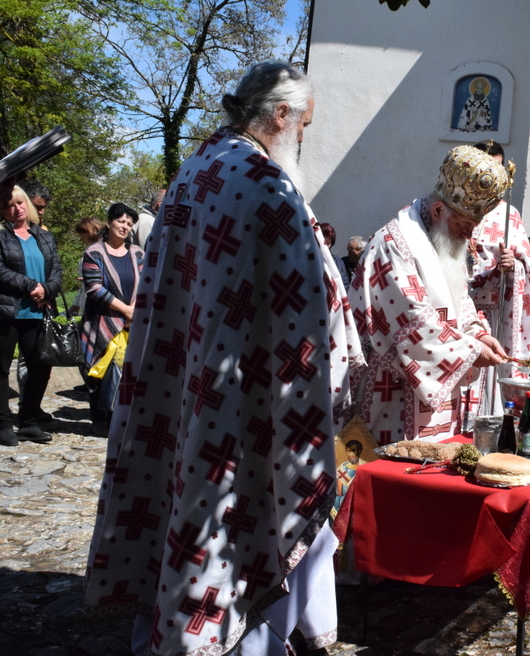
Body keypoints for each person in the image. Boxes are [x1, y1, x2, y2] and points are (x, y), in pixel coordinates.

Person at [84, 61, 364, 656]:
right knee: (242, 514)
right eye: (304, 125)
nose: (304, 138)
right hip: (243, 397)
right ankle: (238, 639)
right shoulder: (264, 183)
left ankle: (171, 621)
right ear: (280, 115)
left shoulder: (197, 168)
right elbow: (304, 308)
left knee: (183, 495)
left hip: (184, 375)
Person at [349, 145, 510, 445]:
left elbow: (459, 299)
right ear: (438, 211)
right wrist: (472, 351)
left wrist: (477, 333)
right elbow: (414, 325)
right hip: (394, 395)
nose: (468, 237)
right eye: (465, 226)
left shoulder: (442, 238)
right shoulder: (393, 245)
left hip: (436, 390)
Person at [467, 140, 530, 411]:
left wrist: (512, 265)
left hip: (494, 313)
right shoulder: (456, 207)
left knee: (490, 378)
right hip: (456, 306)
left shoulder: (508, 214)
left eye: (497, 169)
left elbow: (529, 269)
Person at [0, 184, 61, 446]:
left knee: (40, 368)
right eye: (9, 205)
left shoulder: (44, 237)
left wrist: (47, 289)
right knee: (1, 370)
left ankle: (28, 422)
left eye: (20, 202)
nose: (17, 209)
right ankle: (3, 424)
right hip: (7, 312)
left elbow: (56, 271)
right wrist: (31, 286)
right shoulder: (1, 235)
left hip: (39, 312)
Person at [79, 203, 145, 437]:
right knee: (101, 369)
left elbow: (145, 283)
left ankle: (120, 419)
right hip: (101, 321)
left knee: (127, 371)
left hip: (132, 322)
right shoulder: (94, 252)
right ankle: (99, 420)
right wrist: (125, 311)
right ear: (108, 223)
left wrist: (133, 311)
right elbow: (94, 288)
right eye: (120, 221)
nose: (125, 226)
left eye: (129, 223)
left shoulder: (137, 253)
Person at [69, 217, 104, 316]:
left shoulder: (102, 250)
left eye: (82, 236)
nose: (82, 239)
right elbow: (83, 286)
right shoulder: (90, 250)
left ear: (88, 232)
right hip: (88, 303)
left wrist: (93, 278)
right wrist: (76, 305)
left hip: (99, 303)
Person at [317, 222, 350, 289]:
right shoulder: (305, 259)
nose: (324, 247)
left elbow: (344, 283)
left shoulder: (337, 261)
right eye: (322, 243)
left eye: (328, 244)